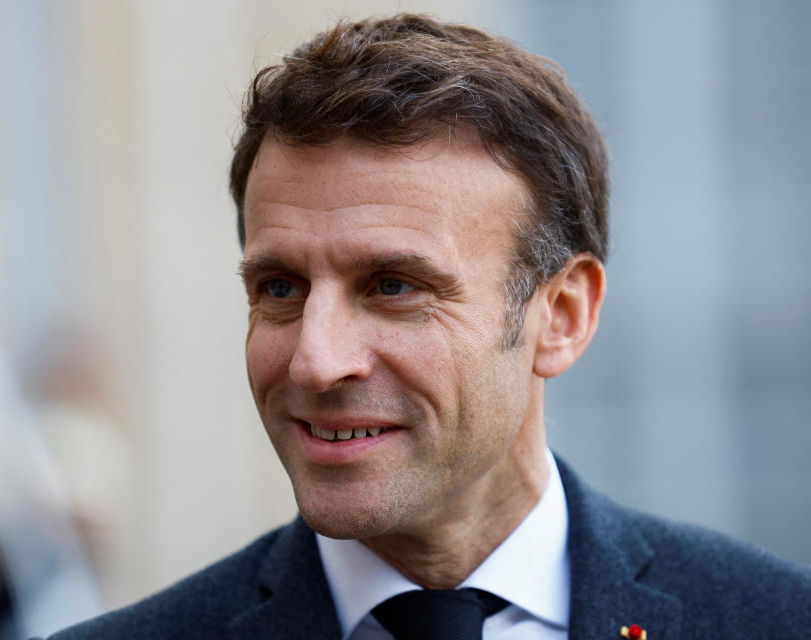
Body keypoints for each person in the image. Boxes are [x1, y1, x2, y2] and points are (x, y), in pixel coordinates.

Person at [43, 13, 811, 640]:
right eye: (280, 287)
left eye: (394, 286)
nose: (315, 360)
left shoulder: (774, 620)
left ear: (563, 316)